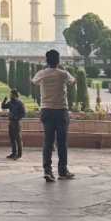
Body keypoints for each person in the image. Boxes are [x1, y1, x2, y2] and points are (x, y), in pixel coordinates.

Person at [32, 49, 76, 181]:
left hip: (46, 110)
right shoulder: (63, 74)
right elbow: (73, 81)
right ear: (58, 61)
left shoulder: (42, 73)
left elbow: (33, 82)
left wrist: (44, 70)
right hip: (60, 110)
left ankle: (47, 170)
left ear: (46, 61)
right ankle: (62, 170)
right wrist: (61, 69)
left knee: (48, 141)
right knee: (62, 142)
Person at [2, 88, 26, 160]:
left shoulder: (20, 104)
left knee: (18, 139)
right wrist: (4, 100)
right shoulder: (10, 103)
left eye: (11, 95)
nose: (10, 96)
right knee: (12, 138)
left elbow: (23, 113)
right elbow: (3, 106)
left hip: (16, 123)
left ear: (15, 95)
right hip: (11, 122)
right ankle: (14, 153)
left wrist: (16, 117)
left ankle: (20, 154)